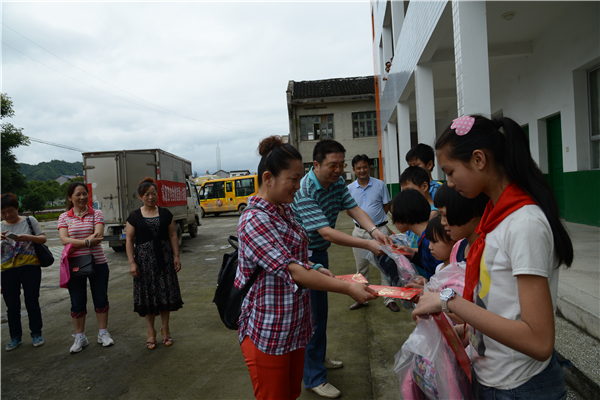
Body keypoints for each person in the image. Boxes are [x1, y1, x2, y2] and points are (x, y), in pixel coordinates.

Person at [413, 115, 574, 399]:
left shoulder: (524, 224)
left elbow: (539, 341)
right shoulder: (494, 219)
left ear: (478, 159)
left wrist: (449, 300)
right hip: (494, 378)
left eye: (450, 172)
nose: (449, 183)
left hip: (520, 388)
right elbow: (503, 304)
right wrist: (469, 328)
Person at [237, 136, 377, 400]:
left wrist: (315, 265)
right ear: (268, 178)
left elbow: (296, 257)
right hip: (270, 329)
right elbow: (291, 270)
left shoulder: (284, 210)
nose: (299, 185)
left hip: (294, 325)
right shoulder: (254, 219)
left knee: (291, 393)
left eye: (301, 177)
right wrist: (348, 288)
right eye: (293, 178)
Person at [292, 139, 392, 399]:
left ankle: (319, 358)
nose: (338, 171)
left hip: (320, 253)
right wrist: (368, 243)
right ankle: (313, 376)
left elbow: (354, 208)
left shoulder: (336, 184)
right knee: (310, 317)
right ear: (316, 164)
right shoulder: (305, 190)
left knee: (321, 314)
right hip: (302, 257)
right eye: (332, 165)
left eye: (341, 165)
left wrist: (374, 230)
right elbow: (327, 232)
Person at [125, 177, 183, 350]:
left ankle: (165, 329)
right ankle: (151, 332)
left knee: (165, 294)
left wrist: (176, 256)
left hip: (164, 260)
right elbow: (129, 240)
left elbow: (173, 235)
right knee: (148, 297)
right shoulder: (134, 216)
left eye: (153, 193)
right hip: (144, 263)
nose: (150, 197)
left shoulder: (166, 214)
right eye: (146, 194)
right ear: (140, 197)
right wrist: (132, 263)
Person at [58, 182, 114, 353]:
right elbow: (63, 240)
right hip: (74, 265)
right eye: (77, 194)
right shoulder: (64, 217)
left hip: (97, 263)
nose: (82, 197)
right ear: (70, 197)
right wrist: (86, 242)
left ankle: (103, 333)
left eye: (85, 194)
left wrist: (79, 242)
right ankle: (80, 337)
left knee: (101, 298)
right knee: (77, 302)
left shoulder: (96, 213)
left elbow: (99, 235)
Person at [346, 154, 398, 312]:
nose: (362, 170)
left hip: (381, 230)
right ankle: (362, 298)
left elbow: (386, 206)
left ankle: (389, 298)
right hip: (359, 232)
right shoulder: (349, 189)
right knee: (361, 267)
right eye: (358, 168)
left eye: (365, 167)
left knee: (385, 266)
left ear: (369, 167)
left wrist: (377, 225)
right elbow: (349, 211)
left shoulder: (380, 184)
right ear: (354, 170)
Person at [0, 193, 46, 351]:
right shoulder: (0, 226)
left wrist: (28, 237)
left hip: (30, 268)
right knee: (12, 306)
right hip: (6, 271)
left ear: (17, 208)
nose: (7, 215)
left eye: (10, 210)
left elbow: (42, 238)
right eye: (3, 212)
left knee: (32, 302)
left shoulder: (29, 220)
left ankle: (36, 334)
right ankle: (15, 337)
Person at [390, 189, 441, 280]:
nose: (393, 221)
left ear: (405, 216)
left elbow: (441, 272)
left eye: (394, 216)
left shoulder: (430, 239)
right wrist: (412, 254)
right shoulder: (426, 236)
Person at [433, 183, 489, 263]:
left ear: (471, 212)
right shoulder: (458, 247)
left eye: (445, 215)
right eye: (440, 215)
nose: (442, 222)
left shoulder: (490, 249)